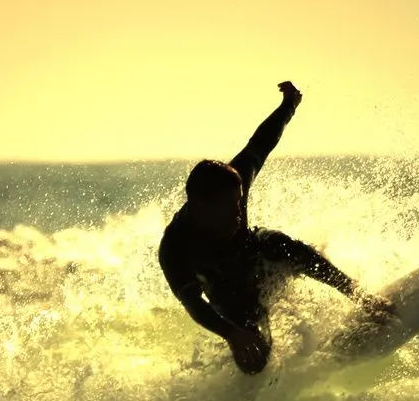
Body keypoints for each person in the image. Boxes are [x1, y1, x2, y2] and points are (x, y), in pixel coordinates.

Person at [159, 81, 390, 374]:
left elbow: (261, 143)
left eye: (238, 204)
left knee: (279, 243)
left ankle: (361, 297)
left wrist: (288, 106)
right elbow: (193, 304)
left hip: (256, 254)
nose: (237, 215)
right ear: (201, 207)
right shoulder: (174, 247)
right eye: (227, 210)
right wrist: (232, 335)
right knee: (255, 359)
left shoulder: (234, 179)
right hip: (228, 292)